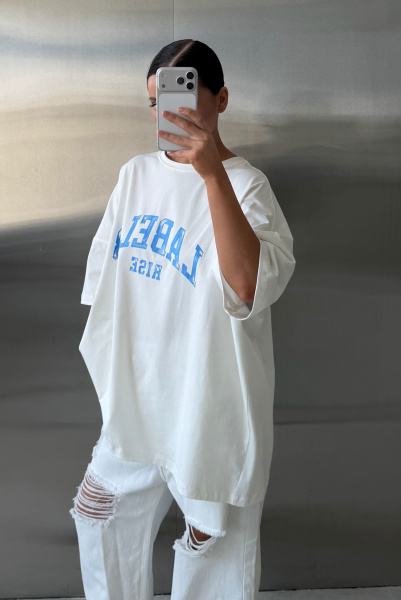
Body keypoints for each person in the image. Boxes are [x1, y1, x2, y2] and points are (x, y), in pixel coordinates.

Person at [69, 39, 296, 600]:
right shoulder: (135, 176)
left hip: (208, 409)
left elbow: (248, 288)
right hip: (139, 400)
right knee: (98, 511)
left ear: (220, 99)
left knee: (212, 545)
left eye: (181, 97)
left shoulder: (247, 186)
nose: (166, 114)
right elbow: (105, 287)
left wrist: (211, 175)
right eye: (157, 103)